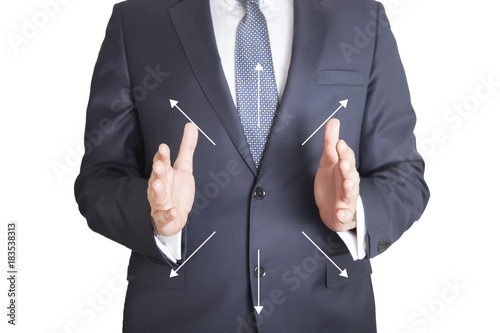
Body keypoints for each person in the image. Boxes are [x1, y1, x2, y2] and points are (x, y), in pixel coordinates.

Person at [75, 0, 430, 331]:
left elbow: (404, 176)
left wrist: (355, 213)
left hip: (327, 317)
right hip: (178, 318)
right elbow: (98, 178)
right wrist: (154, 215)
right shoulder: (137, 21)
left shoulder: (361, 17)